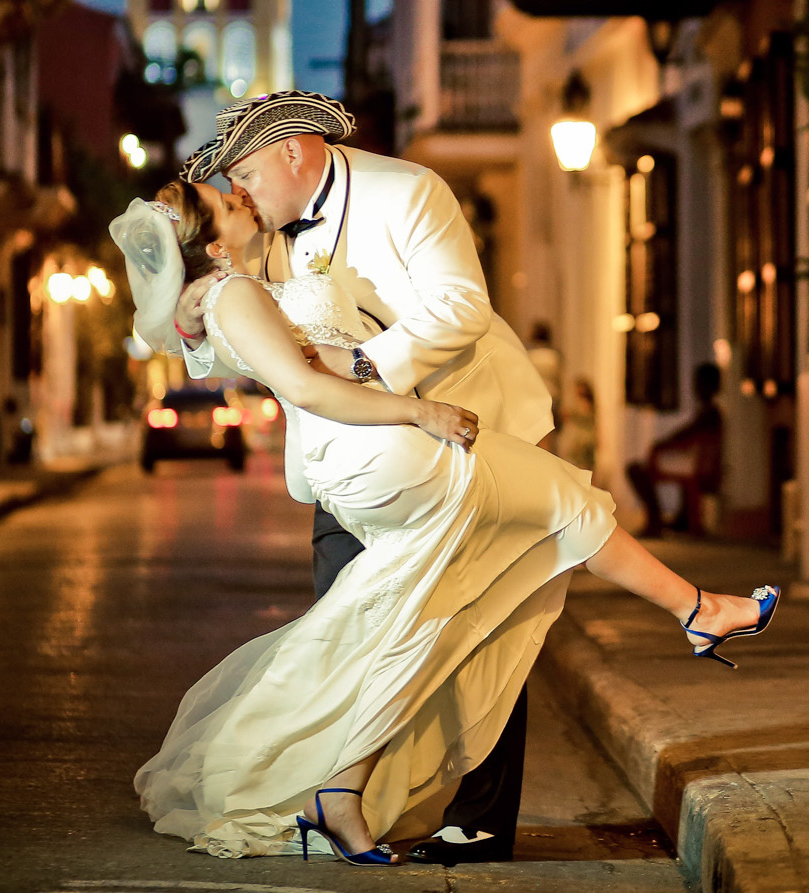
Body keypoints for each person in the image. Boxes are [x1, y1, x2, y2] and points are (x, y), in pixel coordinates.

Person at [109, 181, 781, 866]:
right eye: (223, 200)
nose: (238, 194)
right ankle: (698, 609)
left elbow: (315, 363)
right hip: (380, 449)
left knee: (429, 610)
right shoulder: (238, 294)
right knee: (562, 505)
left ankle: (342, 787)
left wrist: (357, 362)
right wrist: (419, 412)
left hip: (358, 454)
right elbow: (307, 387)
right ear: (215, 243)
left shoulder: (229, 294)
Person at [168, 91, 551, 865]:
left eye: (244, 172)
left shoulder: (407, 190)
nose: (239, 192)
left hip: (470, 425)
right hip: (350, 462)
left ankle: (479, 815)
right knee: (353, 623)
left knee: (486, 616)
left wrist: (367, 366)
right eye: (229, 183)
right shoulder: (260, 232)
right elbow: (236, 340)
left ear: (294, 151)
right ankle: (339, 797)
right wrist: (191, 309)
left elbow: (462, 308)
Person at [627, 363, 724, 538]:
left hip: (695, 464)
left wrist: (662, 445)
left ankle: (655, 521)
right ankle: (676, 518)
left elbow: (686, 435)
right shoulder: (709, 412)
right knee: (644, 464)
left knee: (637, 469)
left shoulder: (710, 413)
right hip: (694, 461)